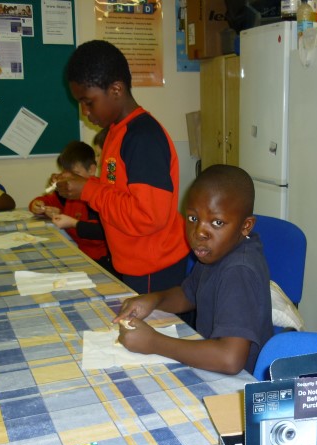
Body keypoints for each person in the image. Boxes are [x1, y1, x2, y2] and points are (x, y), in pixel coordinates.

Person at [54, 40, 190, 294]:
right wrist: (83, 184)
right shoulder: (116, 132)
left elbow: (148, 216)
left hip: (154, 266)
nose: (83, 112)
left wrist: (88, 190)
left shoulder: (142, 138)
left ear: (116, 89)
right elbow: (117, 191)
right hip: (135, 261)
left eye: (88, 102)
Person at [114, 165, 273, 375]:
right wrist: (154, 300)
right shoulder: (217, 251)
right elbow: (189, 294)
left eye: (217, 222)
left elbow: (230, 359)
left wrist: (154, 342)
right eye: (193, 219)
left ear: (246, 226)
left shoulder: (238, 271)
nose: (199, 233)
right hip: (209, 361)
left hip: (238, 381)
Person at [29, 140, 116, 276]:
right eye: (67, 174)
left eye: (76, 173)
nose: (71, 179)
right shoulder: (68, 192)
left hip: (100, 260)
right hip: (77, 250)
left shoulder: (98, 195)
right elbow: (47, 200)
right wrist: (38, 205)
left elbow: (101, 232)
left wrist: (73, 223)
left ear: (91, 170)